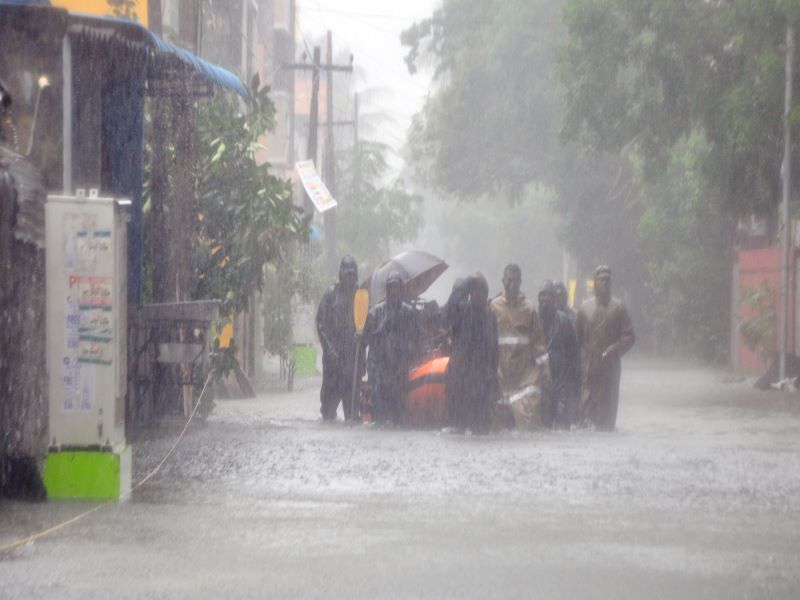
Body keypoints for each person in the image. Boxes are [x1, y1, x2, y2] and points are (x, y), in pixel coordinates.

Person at [490, 264, 550, 430]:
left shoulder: (529, 309)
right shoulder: (494, 307)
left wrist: (545, 369)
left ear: (521, 282)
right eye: (509, 280)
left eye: (516, 281)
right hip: (500, 376)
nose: (512, 285)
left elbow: (539, 343)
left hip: (524, 376)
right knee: (495, 428)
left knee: (529, 426)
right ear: (503, 281)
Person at [576, 265, 635, 431]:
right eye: (601, 279)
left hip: (610, 370)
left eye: (608, 280)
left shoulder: (619, 308)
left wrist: (615, 348)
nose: (605, 283)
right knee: (586, 419)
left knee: (607, 419)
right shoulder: (584, 309)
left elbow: (630, 336)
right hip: (589, 369)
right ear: (594, 282)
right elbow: (577, 341)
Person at [444, 274, 499, 434]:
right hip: (460, 374)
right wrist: (465, 283)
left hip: (481, 376)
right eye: (474, 291)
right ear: (469, 292)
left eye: (481, 291)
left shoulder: (490, 316)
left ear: (486, 294)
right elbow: (451, 306)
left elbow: (494, 350)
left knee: (479, 426)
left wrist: (493, 375)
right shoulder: (462, 310)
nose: (478, 295)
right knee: (458, 425)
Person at [363, 272, 420, 425]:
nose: (394, 291)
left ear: (401, 289)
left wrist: (407, 360)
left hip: (400, 368)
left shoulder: (409, 312)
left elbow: (416, 339)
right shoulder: (377, 312)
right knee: (379, 411)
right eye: (391, 288)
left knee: (399, 412)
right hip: (380, 368)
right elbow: (368, 339)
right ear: (387, 290)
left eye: (396, 287)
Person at [316, 256, 362, 421]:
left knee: (352, 410)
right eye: (347, 274)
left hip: (351, 356)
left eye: (352, 274)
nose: (350, 278)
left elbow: (367, 323)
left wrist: (361, 335)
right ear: (341, 275)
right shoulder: (331, 294)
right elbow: (320, 323)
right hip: (333, 358)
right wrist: (329, 349)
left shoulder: (360, 296)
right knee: (328, 407)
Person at [538, 281, 580, 429]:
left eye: (548, 296)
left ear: (554, 300)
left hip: (563, 386)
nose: (544, 299)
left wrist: (575, 388)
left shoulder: (564, 321)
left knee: (562, 429)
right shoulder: (533, 320)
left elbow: (574, 355)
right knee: (544, 429)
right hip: (542, 387)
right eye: (542, 295)